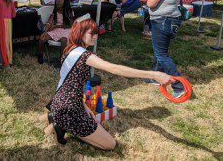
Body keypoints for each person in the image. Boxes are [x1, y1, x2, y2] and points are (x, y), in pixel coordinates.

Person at [40, 16, 173, 149]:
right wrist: (153, 74)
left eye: (96, 33)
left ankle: (58, 119)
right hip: (69, 108)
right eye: (91, 33)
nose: (95, 36)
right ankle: (61, 124)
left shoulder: (70, 49)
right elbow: (114, 68)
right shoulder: (85, 56)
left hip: (59, 101)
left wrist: (85, 107)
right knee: (110, 144)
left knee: (92, 125)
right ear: (80, 32)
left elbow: (72, 85)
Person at [140, 0, 185, 97]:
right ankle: (156, 77)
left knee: (161, 54)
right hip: (168, 20)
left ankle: (179, 86)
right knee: (159, 51)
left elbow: (151, 3)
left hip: (163, 20)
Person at [37, 0, 74, 64]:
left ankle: (61, 60)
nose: (58, 1)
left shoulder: (69, 11)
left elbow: (70, 25)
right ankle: (40, 55)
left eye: (61, 0)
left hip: (66, 29)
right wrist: (45, 32)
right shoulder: (55, 10)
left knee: (64, 40)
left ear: (65, 1)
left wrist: (56, 26)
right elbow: (49, 22)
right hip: (56, 30)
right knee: (42, 39)